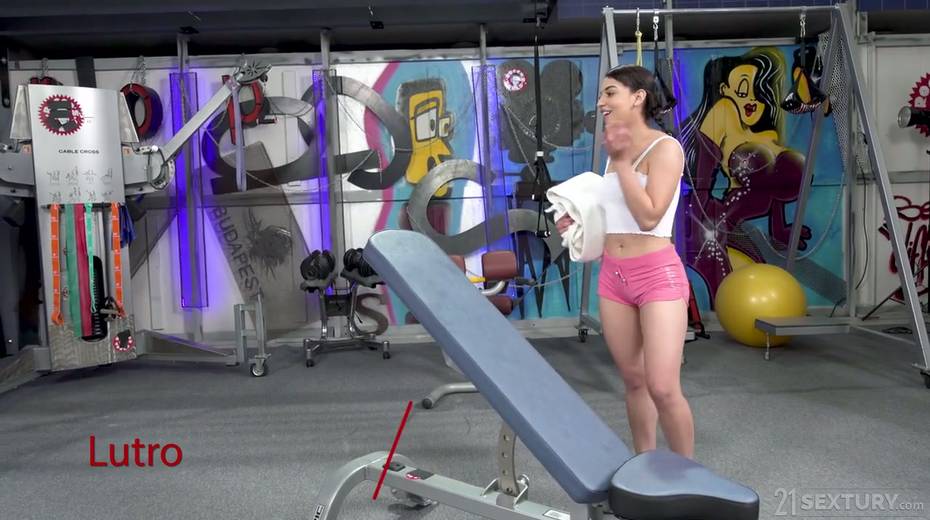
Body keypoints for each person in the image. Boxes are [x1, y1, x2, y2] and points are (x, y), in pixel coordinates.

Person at [556, 65, 693, 458]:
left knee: (662, 386)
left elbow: (649, 216)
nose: (601, 101)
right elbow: (615, 217)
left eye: (610, 92)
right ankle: (645, 464)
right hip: (614, 276)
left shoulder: (665, 149)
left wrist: (619, 161)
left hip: (658, 276)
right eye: (602, 94)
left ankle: (690, 475)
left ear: (638, 97)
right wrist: (577, 222)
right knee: (634, 380)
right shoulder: (615, 154)